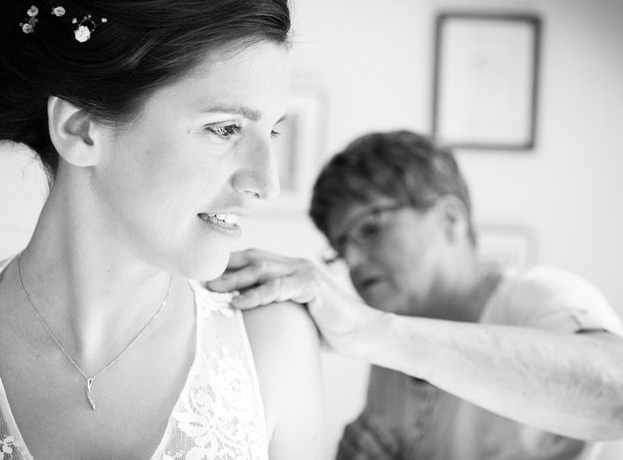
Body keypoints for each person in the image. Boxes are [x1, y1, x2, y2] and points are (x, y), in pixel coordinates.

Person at [0, 0, 323, 459]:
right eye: (224, 128)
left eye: (272, 131)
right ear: (81, 130)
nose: (266, 184)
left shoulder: (275, 342)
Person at [208, 130, 623, 459]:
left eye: (370, 228)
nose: (352, 260)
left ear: (449, 219)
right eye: (340, 246)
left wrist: (372, 331)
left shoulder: (541, 297)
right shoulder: (389, 354)